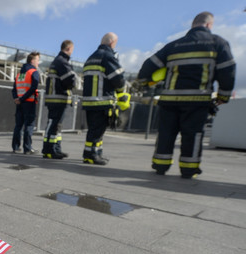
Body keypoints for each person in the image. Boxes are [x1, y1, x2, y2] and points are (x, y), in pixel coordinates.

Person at [137, 11, 235, 179]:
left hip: (169, 100)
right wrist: (223, 96)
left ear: (192, 25)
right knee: (192, 134)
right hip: (197, 100)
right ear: (209, 25)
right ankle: (189, 169)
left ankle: (160, 165)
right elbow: (228, 72)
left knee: (166, 132)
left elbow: (147, 67)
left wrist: (147, 81)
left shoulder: (174, 46)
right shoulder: (218, 43)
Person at [81, 33, 126, 165]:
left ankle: (96, 153)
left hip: (90, 102)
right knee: (97, 131)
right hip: (102, 101)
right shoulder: (108, 57)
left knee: (95, 130)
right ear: (112, 43)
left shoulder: (90, 58)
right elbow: (119, 79)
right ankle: (91, 155)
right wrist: (121, 93)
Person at [43, 40, 77, 159]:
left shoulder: (58, 61)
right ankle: (50, 149)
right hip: (58, 99)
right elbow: (70, 81)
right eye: (72, 50)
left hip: (56, 98)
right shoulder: (62, 62)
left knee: (56, 125)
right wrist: (74, 80)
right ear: (68, 49)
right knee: (54, 124)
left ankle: (55, 148)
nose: (72, 52)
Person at [12, 52, 40, 154]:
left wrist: (16, 98)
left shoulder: (19, 74)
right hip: (29, 102)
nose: (38, 62)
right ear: (32, 61)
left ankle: (15, 147)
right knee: (29, 125)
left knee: (18, 125)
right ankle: (27, 148)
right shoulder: (34, 72)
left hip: (19, 103)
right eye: (37, 60)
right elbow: (33, 88)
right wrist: (23, 99)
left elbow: (14, 89)